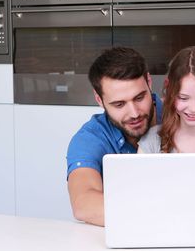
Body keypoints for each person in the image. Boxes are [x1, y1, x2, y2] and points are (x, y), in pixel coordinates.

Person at [66, 47, 163, 227]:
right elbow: (83, 204)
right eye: (119, 104)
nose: (134, 113)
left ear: (149, 82)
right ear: (99, 100)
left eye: (140, 97)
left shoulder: (184, 114)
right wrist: (163, 215)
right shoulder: (89, 138)